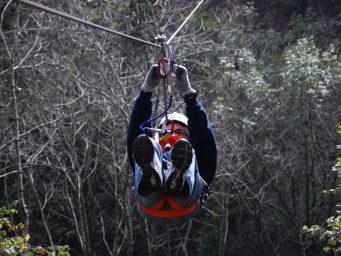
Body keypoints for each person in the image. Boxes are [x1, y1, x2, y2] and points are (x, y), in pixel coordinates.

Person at [127, 64, 217, 225]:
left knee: (185, 150)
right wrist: (146, 90)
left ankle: (179, 177)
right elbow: (135, 131)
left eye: (180, 132)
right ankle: (152, 176)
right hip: (150, 203)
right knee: (143, 143)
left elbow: (204, 134)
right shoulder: (152, 147)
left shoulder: (197, 154)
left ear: (190, 136)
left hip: (186, 202)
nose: (171, 136)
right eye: (165, 132)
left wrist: (189, 95)